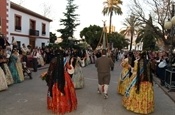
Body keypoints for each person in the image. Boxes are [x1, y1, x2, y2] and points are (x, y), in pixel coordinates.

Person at [46, 50, 77, 114]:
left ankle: (56, 105)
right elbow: (69, 68)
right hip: (64, 76)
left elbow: (50, 70)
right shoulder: (64, 59)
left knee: (55, 89)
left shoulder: (53, 60)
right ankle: (66, 105)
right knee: (66, 90)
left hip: (55, 77)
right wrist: (71, 64)